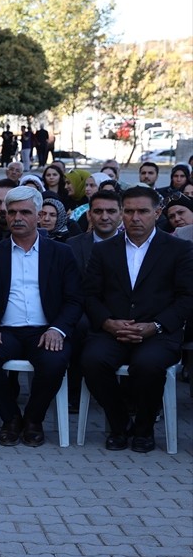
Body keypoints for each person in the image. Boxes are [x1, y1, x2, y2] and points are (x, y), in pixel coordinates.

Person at [81, 187, 193, 453]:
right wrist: (108, 322)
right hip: (113, 331)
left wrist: (155, 326)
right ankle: (119, 425)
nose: (135, 217)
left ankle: (144, 428)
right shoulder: (105, 250)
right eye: (129, 211)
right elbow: (89, 295)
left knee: (147, 365)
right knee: (91, 361)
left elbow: (187, 297)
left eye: (142, 211)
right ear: (122, 213)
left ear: (157, 213)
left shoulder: (179, 249)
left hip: (159, 332)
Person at [0, 187, 83, 448]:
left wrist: (58, 329)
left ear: (38, 216)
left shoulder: (60, 253)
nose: (17, 217)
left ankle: (33, 419)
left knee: (55, 362)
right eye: (11, 212)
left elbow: (75, 300)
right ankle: (10, 418)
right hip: (4, 331)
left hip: (46, 330)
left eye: (24, 212)